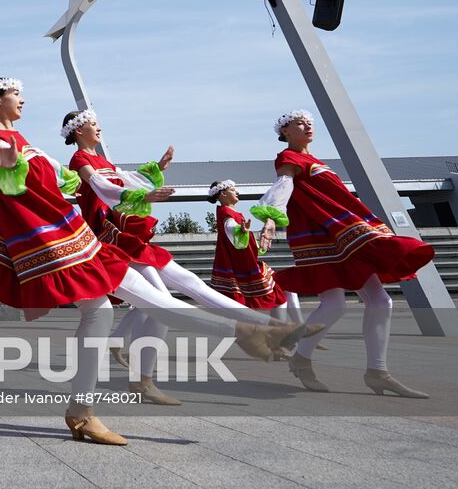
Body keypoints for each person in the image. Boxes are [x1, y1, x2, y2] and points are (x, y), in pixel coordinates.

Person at [0, 78, 320, 445]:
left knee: (118, 309)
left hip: (78, 239)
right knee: (142, 304)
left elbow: (70, 183)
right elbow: (11, 185)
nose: (22, 99)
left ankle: (83, 409)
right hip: (56, 243)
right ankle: (251, 332)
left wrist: (145, 175)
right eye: (15, 95)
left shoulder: (27, 143)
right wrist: (11, 169)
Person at [65, 109, 294, 405]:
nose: (99, 128)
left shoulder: (103, 160)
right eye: (93, 124)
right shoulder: (80, 160)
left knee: (181, 289)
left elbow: (125, 180)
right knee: (162, 302)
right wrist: (141, 197)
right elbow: (101, 186)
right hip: (110, 238)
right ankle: (141, 379)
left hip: (126, 236)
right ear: (79, 130)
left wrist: (156, 169)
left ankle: (265, 326)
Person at [265, 110, 435, 398]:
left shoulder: (317, 161)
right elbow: (284, 185)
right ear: (285, 132)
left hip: (345, 233)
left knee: (381, 301)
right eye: (299, 124)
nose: (307, 126)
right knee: (335, 304)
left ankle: (377, 372)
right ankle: (302, 358)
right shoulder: (288, 158)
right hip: (323, 236)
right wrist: (270, 218)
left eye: (309, 123)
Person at [207, 179, 293, 320]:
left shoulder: (230, 213)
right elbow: (229, 228)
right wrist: (240, 230)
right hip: (244, 269)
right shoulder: (225, 212)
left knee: (282, 291)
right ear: (223, 194)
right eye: (233, 190)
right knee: (282, 291)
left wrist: (255, 243)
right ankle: (285, 329)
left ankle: (283, 329)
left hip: (245, 265)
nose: (237, 192)